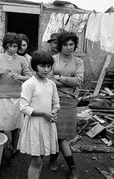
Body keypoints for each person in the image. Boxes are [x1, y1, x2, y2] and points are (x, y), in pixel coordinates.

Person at [0, 32, 31, 166]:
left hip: (17, 97)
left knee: (15, 127)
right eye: (9, 46)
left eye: (15, 46)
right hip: (1, 97)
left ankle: (13, 154)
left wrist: (20, 77)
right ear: (5, 45)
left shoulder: (23, 60)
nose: (12, 49)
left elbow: (29, 77)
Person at [18, 50, 60, 179]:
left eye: (48, 66)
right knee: (36, 160)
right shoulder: (29, 84)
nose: (46, 69)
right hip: (34, 125)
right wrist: (43, 113)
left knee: (41, 158)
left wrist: (52, 113)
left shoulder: (51, 84)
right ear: (35, 66)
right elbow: (23, 108)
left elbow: (56, 103)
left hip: (47, 124)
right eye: (43, 66)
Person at [49, 31, 84, 179]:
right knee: (57, 134)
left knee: (61, 135)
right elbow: (48, 79)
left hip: (70, 101)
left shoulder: (78, 62)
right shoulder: (52, 59)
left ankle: (54, 161)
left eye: (71, 44)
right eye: (65, 44)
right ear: (60, 45)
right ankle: (72, 168)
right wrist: (67, 80)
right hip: (53, 100)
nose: (69, 47)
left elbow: (78, 81)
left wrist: (60, 78)